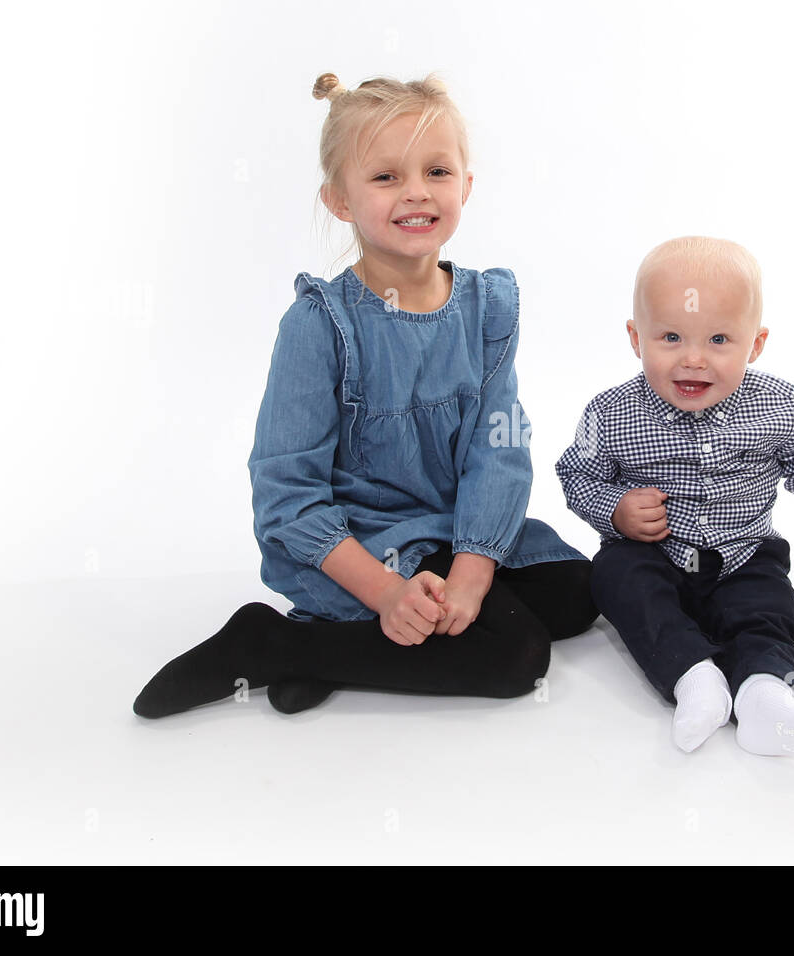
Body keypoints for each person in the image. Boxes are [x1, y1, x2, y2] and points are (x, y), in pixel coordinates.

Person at [134, 72, 597, 719]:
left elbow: (500, 450)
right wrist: (385, 593)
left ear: (466, 184)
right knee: (515, 657)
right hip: (363, 542)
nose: (416, 192)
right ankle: (268, 641)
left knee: (578, 591)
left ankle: (322, 651)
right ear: (341, 200)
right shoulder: (321, 324)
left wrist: (470, 572)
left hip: (449, 531)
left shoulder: (487, 308)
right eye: (385, 177)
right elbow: (286, 493)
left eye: (437, 171)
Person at [554, 236, 794, 755]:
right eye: (671, 337)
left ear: (756, 345)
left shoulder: (778, 404)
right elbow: (577, 475)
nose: (693, 360)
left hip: (741, 554)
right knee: (616, 579)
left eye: (720, 340)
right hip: (655, 554)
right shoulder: (609, 413)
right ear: (636, 338)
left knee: (767, 607)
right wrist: (616, 511)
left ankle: (767, 696)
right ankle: (694, 678)